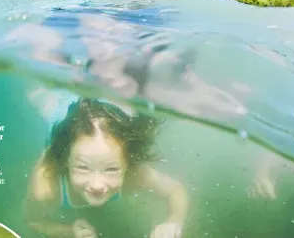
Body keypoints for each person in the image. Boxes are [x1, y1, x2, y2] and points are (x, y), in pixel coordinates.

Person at [23, 98, 188, 238]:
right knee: (47, 102)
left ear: (127, 163)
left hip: (94, 117)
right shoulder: (47, 187)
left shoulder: (134, 174)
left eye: (111, 169)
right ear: (66, 162)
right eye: (82, 167)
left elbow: (175, 191)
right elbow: (33, 220)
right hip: (59, 113)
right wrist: (69, 231)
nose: (97, 185)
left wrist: (173, 222)